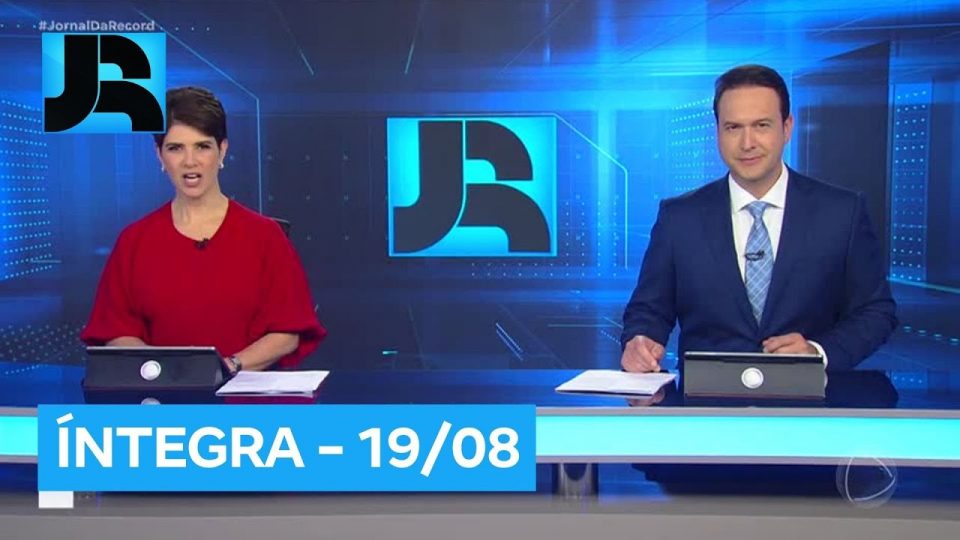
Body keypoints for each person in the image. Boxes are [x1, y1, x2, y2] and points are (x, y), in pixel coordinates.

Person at [621, 65, 896, 373]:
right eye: (733, 127)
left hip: (812, 398)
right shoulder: (679, 218)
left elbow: (876, 311)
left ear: (787, 128)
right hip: (706, 399)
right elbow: (648, 311)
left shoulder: (842, 212)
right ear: (718, 132)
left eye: (762, 125)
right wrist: (639, 341)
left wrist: (819, 352)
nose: (747, 143)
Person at [81, 87, 325, 372]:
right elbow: (116, 331)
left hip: (245, 393)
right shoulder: (134, 241)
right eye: (175, 148)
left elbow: (287, 333)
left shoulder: (266, 237)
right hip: (161, 396)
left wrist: (226, 368)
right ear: (159, 155)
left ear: (222, 150)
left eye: (202, 146)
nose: (190, 161)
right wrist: (167, 372)